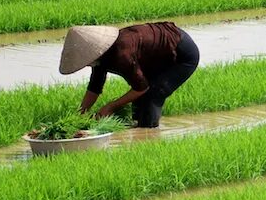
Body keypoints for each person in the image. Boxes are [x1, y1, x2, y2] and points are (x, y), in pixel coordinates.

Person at [59, 22, 200, 129]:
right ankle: (140, 126)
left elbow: (141, 88)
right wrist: (80, 115)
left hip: (182, 54)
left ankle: (148, 135)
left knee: (153, 95)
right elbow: (95, 86)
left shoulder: (122, 55)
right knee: (139, 103)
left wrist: (111, 107)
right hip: (157, 56)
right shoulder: (101, 55)